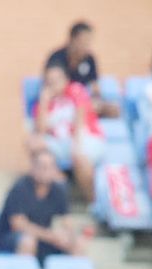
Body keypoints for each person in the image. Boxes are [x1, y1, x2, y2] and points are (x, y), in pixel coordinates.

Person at [0, 148, 87, 261]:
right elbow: (18, 224)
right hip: (11, 237)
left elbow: (67, 221)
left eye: (50, 167)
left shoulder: (58, 190)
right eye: (42, 167)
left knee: (77, 244)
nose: (46, 171)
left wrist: (69, 237)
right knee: (28, 241)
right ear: (33, 168)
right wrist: (50, 236)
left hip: (43, 237)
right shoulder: (20, 188)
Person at [32, 62, 104, 196]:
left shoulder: (75, 90)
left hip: (85, 138)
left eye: (56, 79)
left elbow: (80, 118)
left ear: (65, 79)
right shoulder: (44, 102)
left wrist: (76, 146)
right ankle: (60, 183)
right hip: (60, 143)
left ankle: (93, 201)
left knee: (80, 158)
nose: (53, 84)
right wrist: (44, 101)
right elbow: (40, 132)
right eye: (49, 81)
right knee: (33, 143)